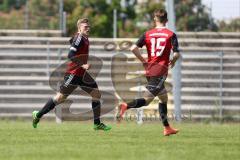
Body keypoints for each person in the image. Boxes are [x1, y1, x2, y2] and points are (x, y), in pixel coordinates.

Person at [32, 18, 111, 131]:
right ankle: (38, 115)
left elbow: (72, 43)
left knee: (96, 94)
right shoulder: (79, 38)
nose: (88, 28)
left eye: (89, 26)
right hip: (73, 74)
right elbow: (70, 54)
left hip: (82, 74)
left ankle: (97, 124)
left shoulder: (83, 38)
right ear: (79, 28)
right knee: (60, 98)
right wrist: (83, 65)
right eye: (85, 27)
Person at [116, 9, 180, 136]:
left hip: (150, 69)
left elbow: (133, 48)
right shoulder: (170, 34)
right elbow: (177, 53)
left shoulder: (147, 34)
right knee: (146, 100)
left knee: (163, 98)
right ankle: (125, 106)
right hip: (160, 71)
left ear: (155, 20)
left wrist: (144, 61)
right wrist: (173, 61)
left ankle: (167, 128)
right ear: (166, 21)